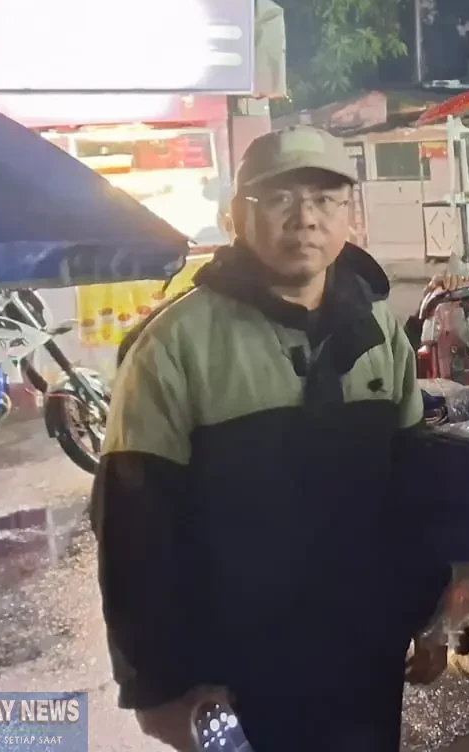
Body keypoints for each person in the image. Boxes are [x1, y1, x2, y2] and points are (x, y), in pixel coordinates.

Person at [92, 127, 449, 752]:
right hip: (238, 669)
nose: (305, 218)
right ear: (236, 216)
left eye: (325, 199)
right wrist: (158, 685)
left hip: (363, 648)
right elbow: (132, 527)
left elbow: (411, 488)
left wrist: (429, 614)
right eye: (279, 198)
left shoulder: (378, 331)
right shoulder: (174, 346)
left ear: (349, 215)